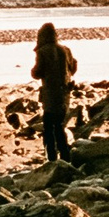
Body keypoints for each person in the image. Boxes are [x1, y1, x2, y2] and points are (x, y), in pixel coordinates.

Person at [32, 22, 78, 163]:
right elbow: (74, 66)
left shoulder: (43, 51)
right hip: (64, 92)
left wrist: (33, 72)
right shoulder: (66, 50)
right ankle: (65, 156)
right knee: (60, 125)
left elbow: (37, 73)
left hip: (50, 95)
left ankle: (52, 158)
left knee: (49, 127)